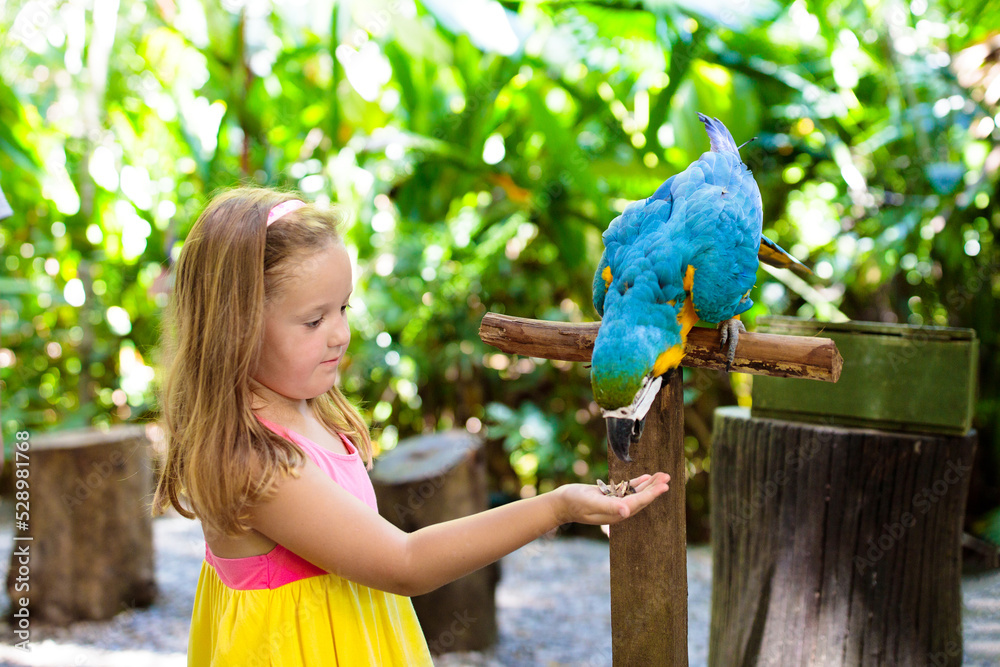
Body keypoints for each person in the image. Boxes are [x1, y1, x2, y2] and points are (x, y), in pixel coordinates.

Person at [152, 186, 670, 666]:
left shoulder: (301, 403)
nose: (340, 334)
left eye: (343, 308)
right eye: (314, 321)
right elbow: (403, 563)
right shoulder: (257, 462)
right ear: (234, 326)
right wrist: (556, 507)